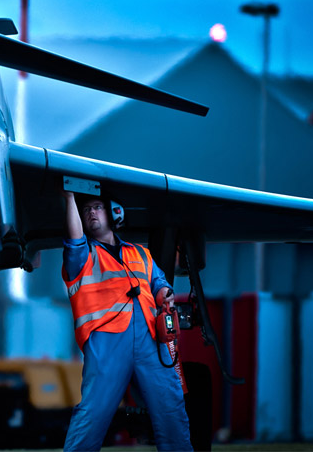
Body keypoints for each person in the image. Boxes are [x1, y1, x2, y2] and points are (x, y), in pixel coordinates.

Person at [61, 190, 192, 452]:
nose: (91, 212)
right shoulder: (81, 256)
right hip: (106, 342)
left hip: (150, 340)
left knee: (171, 406)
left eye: (97, 207)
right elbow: (74, 239)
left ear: (113, 214)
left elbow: (159, 282)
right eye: (86, 210)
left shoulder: (141, 253)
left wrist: (165, 294)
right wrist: (69, 199)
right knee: (93, 412)